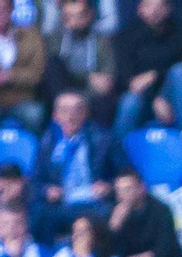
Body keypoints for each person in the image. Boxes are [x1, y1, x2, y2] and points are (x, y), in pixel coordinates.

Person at [32, 90, 115, 242]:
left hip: (94, 203)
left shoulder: (104, 139)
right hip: (61, 204)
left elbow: (124, 175)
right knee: (39, 213)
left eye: (77, 110)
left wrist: (108, 187)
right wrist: (47, 191)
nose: (71, 116)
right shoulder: (46, 143)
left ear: (86, 114)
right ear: (55, 116)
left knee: (111, 212)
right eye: (64, 110)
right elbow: (35, 182)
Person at [113, 0, 182, 139]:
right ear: (140, 9)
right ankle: (119, 156)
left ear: (169, 9)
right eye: (149, 5)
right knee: (129, 101)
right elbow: (126, 78)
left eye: (160, 6)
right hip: (141, 97)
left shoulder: (181, 33)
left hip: (170, 95)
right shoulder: (126, 35)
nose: (155, 11)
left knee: (181, 70)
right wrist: (153, 100)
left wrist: (154, 74)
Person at [42, 0, 118, 130]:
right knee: (53, 65)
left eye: (80, 16)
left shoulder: (103, 40)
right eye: (69, 17)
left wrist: (98, 84)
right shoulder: (54, 40)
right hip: (61, 91)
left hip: (92, 94)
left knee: (105, 101)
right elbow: (54, 72)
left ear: (90, 15)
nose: (74, 22)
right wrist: (88, 77)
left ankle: (101, 144)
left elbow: (107, 77)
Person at [108, 167, 182, 257]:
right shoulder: (114, 213)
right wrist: (113, 228)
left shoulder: (161, 211)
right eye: (119, 191)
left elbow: (164, 250)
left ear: (141, 188)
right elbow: (107, 253)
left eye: (127, 190)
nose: (122, 196)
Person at [0, 0, 44, 131]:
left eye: (3, 9)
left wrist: (9, 76)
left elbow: (37, 74)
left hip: (22, 99)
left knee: (35, 115)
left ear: (12, 10)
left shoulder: (31, 35)